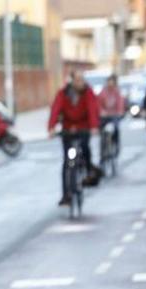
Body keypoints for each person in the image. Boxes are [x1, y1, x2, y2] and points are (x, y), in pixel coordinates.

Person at [48, 71, 101, 206]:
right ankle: (66, 195)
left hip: (83, 128)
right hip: (68, 129)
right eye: (77, 80)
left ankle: (89, 171)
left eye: (82, 80)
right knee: (67, 162)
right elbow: (56, 109)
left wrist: (94, 126)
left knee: (85, 147)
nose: (80, 83)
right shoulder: (63, 93)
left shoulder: (88, 92)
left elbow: (92, 109)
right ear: (71, 81)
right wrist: (52, 127)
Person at [98, 74, 126, 160]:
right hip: (105, 116)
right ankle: (102, 153)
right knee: (102, 133)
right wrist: (101, 112)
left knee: (116, 129)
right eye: (108, 82)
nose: (110, 84)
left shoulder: (117, 92)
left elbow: (120, 103)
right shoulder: (103, 92)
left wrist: (120, 112)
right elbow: (98, 104)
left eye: (112, 82)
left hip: (114, 115)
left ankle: (116, 146)